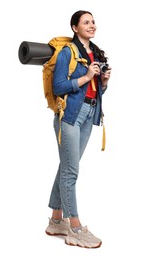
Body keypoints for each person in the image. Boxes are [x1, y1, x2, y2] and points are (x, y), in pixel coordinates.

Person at [45, 10, 111, 249]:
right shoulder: (67, 52)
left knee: (67, 166)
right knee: (71, 171)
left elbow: (94, 91)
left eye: (93, 21)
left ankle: (55, 221)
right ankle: (74, 228)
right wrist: (86, 77)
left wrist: (102, 82)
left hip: (89, 112)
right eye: (86, 22)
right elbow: (59, 85)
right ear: (75, 28)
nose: (92, 25)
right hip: (70, 115)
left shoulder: (96, 52)